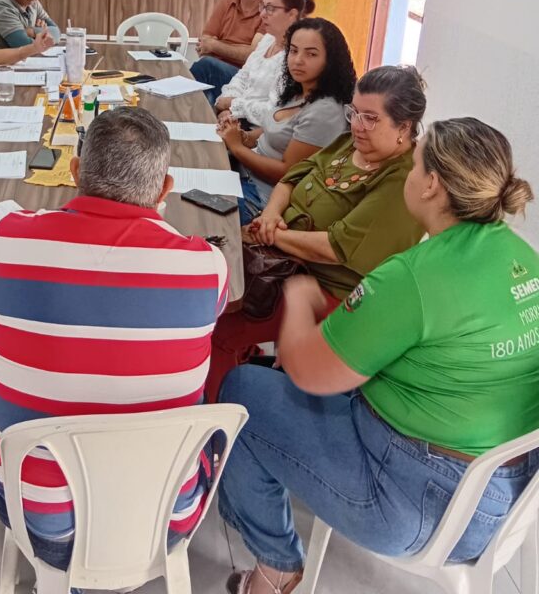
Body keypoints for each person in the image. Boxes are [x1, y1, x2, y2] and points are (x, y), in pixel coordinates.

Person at [218, 118, 538, 594]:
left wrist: (300, 298)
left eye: (414, 164)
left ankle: (275, 566)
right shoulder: (523, 257)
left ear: (431, 184)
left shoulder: (414, 276)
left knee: (243, 389)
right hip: (508, 499)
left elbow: (308, 371)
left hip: (420, 503)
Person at [0, 107, 228, 570]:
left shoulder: (10, 239)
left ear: (75, 172)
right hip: (162, 524)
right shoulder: (206, 266)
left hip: (42, 527)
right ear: (165, 189)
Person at [206, 64, 427, 401]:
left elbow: (336, 249)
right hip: (280, 261)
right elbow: (292, 177)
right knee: (212, 275)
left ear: (404, 127)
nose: (357, 125)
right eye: (354, 112)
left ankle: (213, 418)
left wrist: (268, 234)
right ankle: (239, 376)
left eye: (370, 118)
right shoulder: (349, 144)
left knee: (217, 325)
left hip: (323, 289)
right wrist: (270, 215)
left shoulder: (401, 180)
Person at [219, 19, 355, 225]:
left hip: (261, 197)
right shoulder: (298, 90)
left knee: (195, 209)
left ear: (330, 60)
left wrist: (237, 147)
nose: (298, 60)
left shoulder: (325, 111)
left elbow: (287, 173)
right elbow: (272, 131)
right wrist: (242, 136)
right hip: (246, 172)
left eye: (311, 54)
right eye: (293, 51)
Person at [214, 0, 315, 126]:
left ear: (292, 14)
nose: (262, 14)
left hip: (258, 130)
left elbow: (274, 111)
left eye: (270, 9)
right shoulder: (268, 39)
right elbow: (242, 76)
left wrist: (232, 105)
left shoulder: (295, 56)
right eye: (263, 6)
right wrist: (225, 109)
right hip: (236, 117)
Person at [191, 0, 270, 104]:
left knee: (205, 66)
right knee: (206, 94)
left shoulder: (268, 12)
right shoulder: (226, 4)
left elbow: (252, 56)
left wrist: (215, 46)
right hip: (217, 72)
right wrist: (235, 50)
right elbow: (204, 43)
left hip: (245, 77)